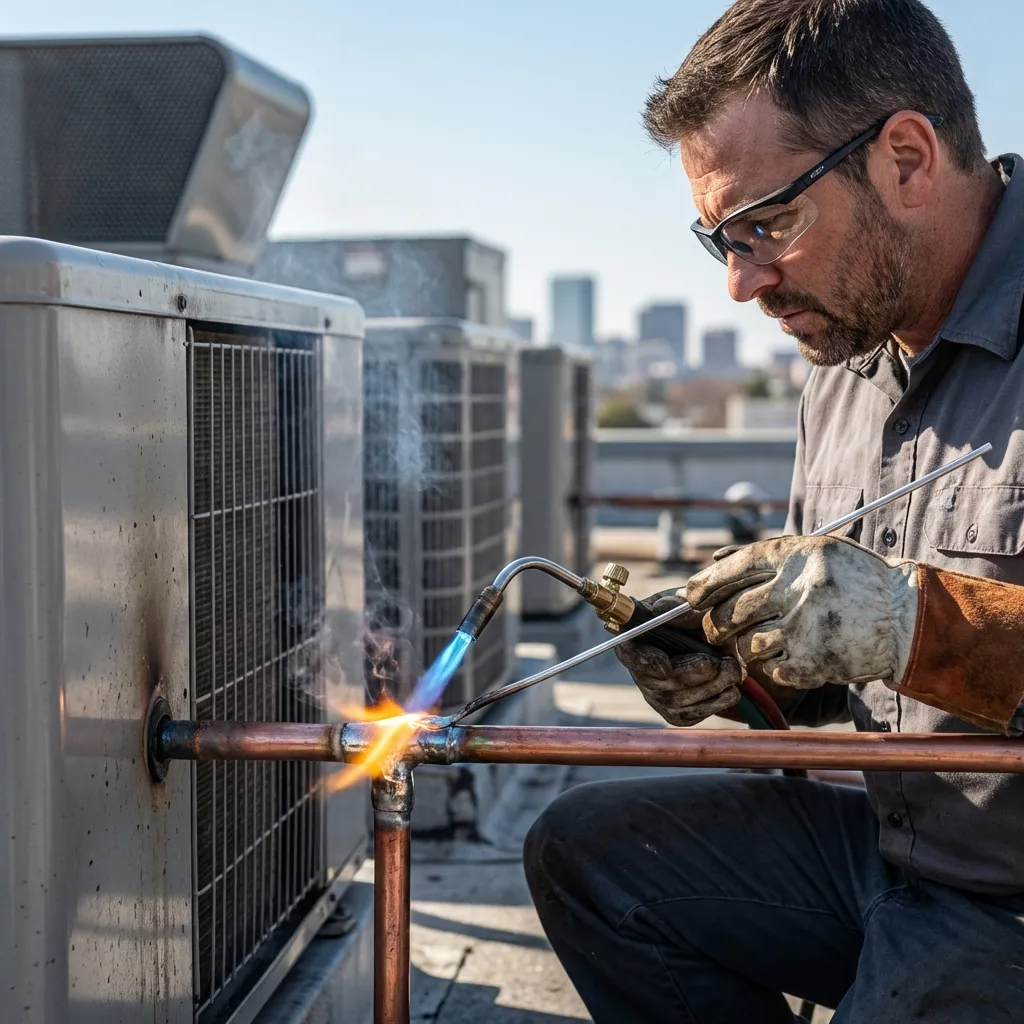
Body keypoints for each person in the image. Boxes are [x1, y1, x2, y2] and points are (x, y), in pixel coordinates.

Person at [523, 2, 1024, 1021]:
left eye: (768, 225)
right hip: (892, 850)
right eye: (721, 242)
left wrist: (911, 623)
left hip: (1009, 896)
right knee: (589, 856)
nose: (744, 283)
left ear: (906, 160)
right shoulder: (842, 362)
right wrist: (747, 667)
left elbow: (901, 633)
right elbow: (852, 678)